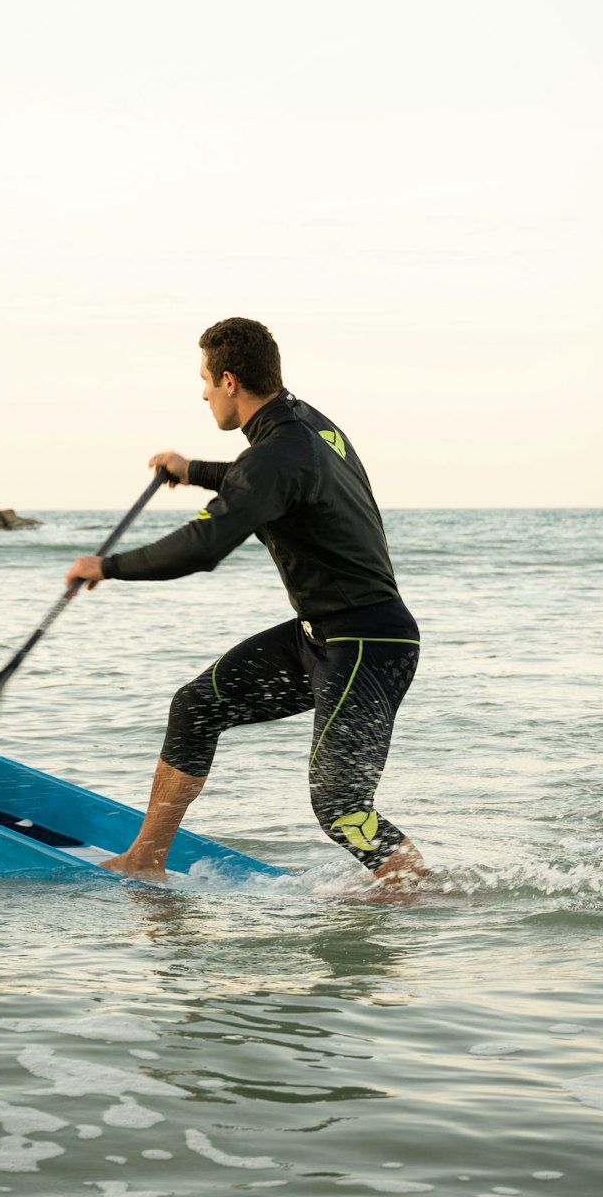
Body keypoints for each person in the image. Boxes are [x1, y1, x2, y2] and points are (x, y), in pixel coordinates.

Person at [66, 317, 427, 893]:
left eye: (205, 380)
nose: (202, 393)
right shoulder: (306, 425)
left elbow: (205, 545)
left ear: (230, 380)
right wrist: (193, 470)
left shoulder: (277, 454)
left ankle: (421, 888)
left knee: (339, 802)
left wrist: (107, 566)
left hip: (366, 643)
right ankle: (145, 858)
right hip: (323, 636)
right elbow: (260, 478)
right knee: (197, 706)